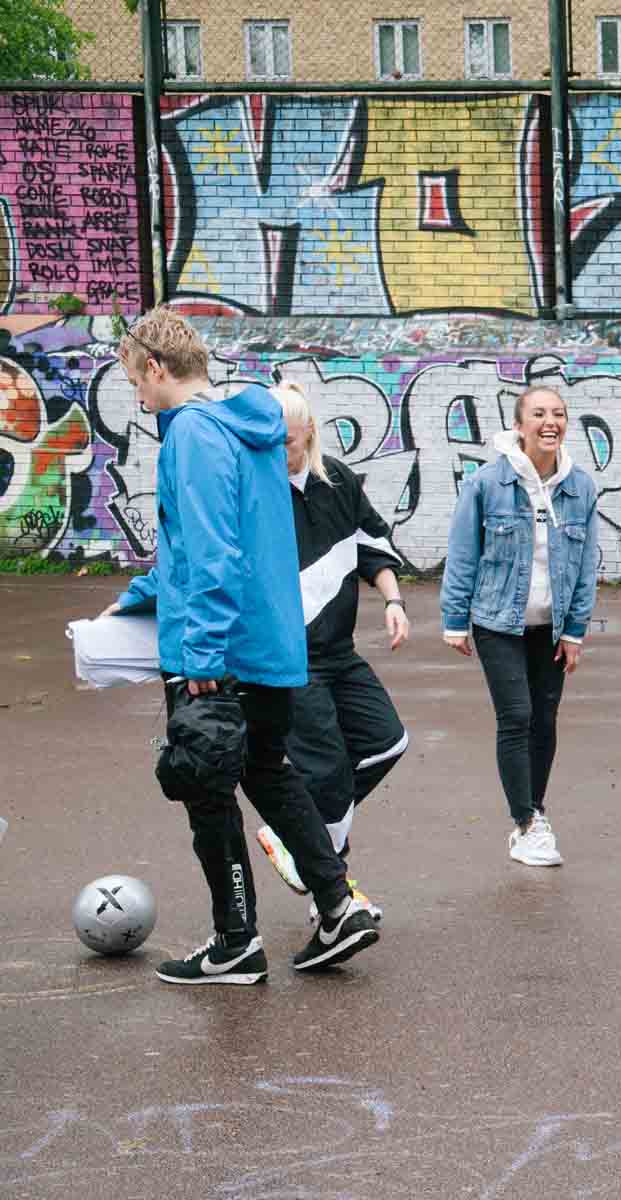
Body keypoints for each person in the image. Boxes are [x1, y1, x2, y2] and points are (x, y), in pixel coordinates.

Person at [100, 308, 380, 984]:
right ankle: (339, 906)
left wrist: (200, 655)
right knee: (267, 770)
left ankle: (235, 943)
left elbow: (213, 552)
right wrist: (137, 599)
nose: (138, 397)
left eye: (136, 382)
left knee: (206, 789)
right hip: (270, 645)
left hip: (219, 655)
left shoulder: (192, 433)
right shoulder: (248, 428)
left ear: (156, 368)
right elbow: (223, 547)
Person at [253, 381, 410, 923]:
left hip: (339, 652)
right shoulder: (254, 493)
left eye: (287, 443)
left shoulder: (337, 481)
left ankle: (293, 834)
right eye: (267, 443)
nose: (277, 453)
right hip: (288, 659)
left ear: (309, 434)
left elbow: (373, 544)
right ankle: (334, 899)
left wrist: (394, 601)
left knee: (388, 741)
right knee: (328, 773)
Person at [439, 385, 599, 867]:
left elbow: (586, 565)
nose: (551, 422)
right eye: (539, 414)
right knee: (516, 715)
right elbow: (463, 552)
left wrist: (575, 630)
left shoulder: (580, 487)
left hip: (552, 625)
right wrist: (454, 619)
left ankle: (536, 810)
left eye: (559, 414)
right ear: (518, 425)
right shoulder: (488, 483)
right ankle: (525, 823)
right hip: (498, 622)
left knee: (544, 719)